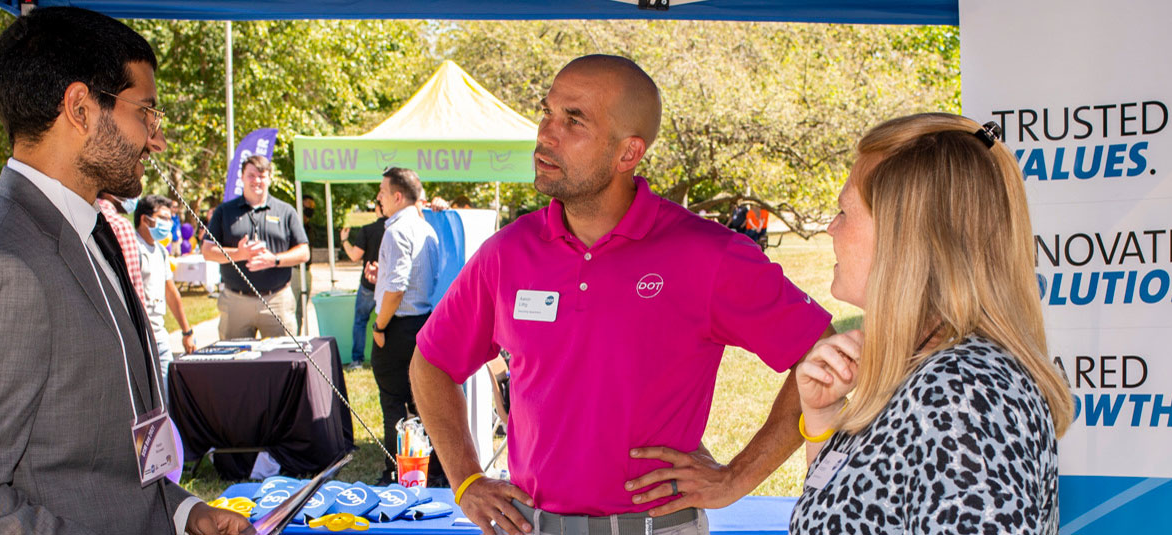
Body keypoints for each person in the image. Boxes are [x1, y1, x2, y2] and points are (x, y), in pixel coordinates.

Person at [410, 55, 833, 535]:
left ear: (628, 154)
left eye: (574, 121)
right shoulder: (507, 253)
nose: (546, 134)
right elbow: (432, 362)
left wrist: (736, 478)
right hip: (530, 526)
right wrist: (466, 480)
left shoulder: (706, 253)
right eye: (547, 112)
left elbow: (820, 352)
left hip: (659, 528)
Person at [0, 7, 251, 535]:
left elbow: (96, 459)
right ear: (81, 107)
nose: (155, 140)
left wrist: (181, 511)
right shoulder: (0, 265)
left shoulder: (96, 229)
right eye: (146, 113)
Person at [787, 114, 1071, 534]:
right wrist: (823, 417)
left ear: (903, 236)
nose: (831, 227)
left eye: (844, 211)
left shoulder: (965, 394)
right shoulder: (933, 371)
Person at [370, 167, 445, 485]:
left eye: (383, 193)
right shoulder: (426, 229)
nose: (380, 199)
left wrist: (379, 325)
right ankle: (434, 467)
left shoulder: (397, 229)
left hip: (398, 326)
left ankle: (396, 471)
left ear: (398, 196)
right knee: (422, 400)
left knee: (394, 402)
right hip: (423, 323)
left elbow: (398, 287)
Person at [203, 155, 310, 340]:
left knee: (283, 360)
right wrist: (239, 253)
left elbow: (304, 252)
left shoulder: (286, 211)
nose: (257, 181)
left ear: (269, 178)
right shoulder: (224, 212)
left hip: (277, 300)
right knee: (235, 362)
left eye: (262, 175)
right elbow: (207, 251)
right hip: (236, 301)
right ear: (242, 177)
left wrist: (274, 260)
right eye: (251, 175)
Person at [135, 195, 198, 381]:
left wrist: (187, 331)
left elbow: (171, 293)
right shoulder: (133, 248)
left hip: (159, 334)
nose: (168, 223)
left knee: (167, 393)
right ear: (145, 219)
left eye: (170, 218)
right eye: (163, 218)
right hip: (140, 335)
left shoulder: (161, 252)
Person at [340, 207, 388, 368]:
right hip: (389, 286)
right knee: (389, 324)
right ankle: (386, 360)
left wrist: (344, 240)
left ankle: (357, 360)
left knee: (360, 322)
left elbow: (354, 256)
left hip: (368, 286)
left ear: (377, 208)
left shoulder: (368, 230)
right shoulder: (396, 229)